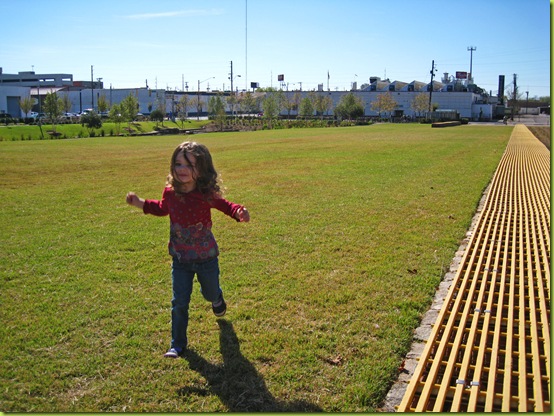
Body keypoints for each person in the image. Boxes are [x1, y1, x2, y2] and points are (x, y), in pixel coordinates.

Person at [126, 141, 250, 358]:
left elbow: (225, 205)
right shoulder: (171, 193)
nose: (182, 169)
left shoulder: (205, 193)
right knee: (179, 302)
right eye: (178, 164)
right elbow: (162, 208)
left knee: (210, 292)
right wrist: (140, 203)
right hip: (180, 258)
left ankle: (217, 298)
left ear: (202, 168)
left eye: (189, 165)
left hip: (206, 257)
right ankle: (177, 344)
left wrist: (239, 212)